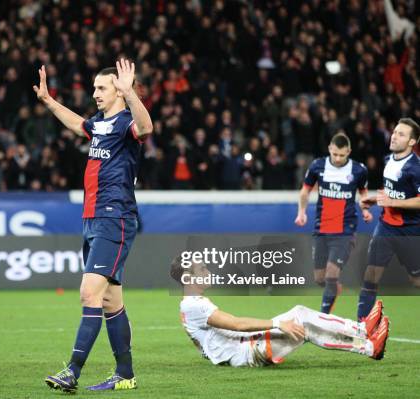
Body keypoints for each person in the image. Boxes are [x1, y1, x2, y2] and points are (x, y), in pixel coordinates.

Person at [34, 59, 153, 392]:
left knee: (89, 292)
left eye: (101, 88)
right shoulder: (100, 122)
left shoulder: (128, 121)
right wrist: (48, 101)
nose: (94, 93)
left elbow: (146, 129)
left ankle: (72, 371)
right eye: (95, 88)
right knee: (111, 300)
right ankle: (125, 375)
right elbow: (78, 124)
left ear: (118, 90)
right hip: (92, 217)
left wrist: (132, 95)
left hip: (114, 216)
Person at [170, 257, 389, 367]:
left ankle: (364, 335)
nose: (208, 271)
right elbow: (236, 324)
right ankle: (366, 342)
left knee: (301, 317)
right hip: (247, 351)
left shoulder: (191, 303)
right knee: (302, 323)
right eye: (201, 269)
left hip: (246, 346)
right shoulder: (194, 305)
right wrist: (277, 323)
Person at [295, 133, 373, 313]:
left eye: (342, 155)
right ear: (330, 149)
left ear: (349, 152)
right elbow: (305, 191)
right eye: (335, 154)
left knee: (331, 273)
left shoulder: (358, 170)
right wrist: (301, 213)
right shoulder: (317, 166)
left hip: (345, 230)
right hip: (322, 228)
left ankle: (324, 318)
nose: (337, 159)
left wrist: (366, 210)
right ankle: (334, 288)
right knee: (320, 278)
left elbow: (363, 193)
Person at [357, 118, 420, 320]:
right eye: (394, 132)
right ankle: (361, 326)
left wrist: (392, 202)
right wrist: (376, 200)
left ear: (412, 142)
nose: (394, 136)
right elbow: (393, 192)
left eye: (401, 134)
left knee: (416, 280)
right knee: (371, 274)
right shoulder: (388, 160)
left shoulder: (416, 168)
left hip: (410, 231)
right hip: (385, 227)